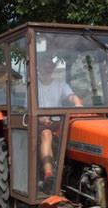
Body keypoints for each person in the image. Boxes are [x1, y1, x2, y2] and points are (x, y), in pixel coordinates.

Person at [38, 57, 82, 193]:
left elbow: (71, 95)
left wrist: (77, 103)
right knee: (46, 134)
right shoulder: (34, 86)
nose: (48, 69)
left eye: (50, 67)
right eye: (45, 67)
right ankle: (48, 175)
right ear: (40, 68)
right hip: (40, 123)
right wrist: (41, 119)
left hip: (58, 122)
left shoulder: (60, 84)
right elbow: (29, 109)